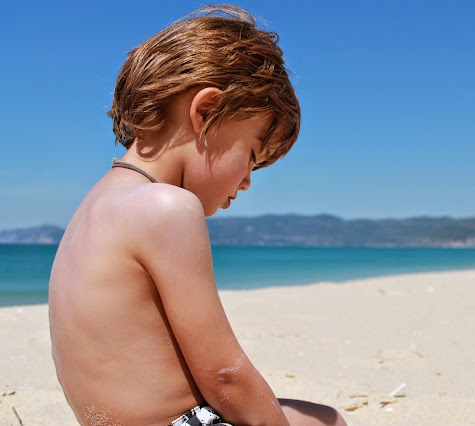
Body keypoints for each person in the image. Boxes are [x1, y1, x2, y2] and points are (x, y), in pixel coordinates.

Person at [48, 5, 347, 426]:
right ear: (206, 112)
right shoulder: (167, 207)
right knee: (328, 422)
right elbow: (227, 377)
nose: (247, 182)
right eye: (252, 156)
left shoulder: (92, 208)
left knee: (314, 416)